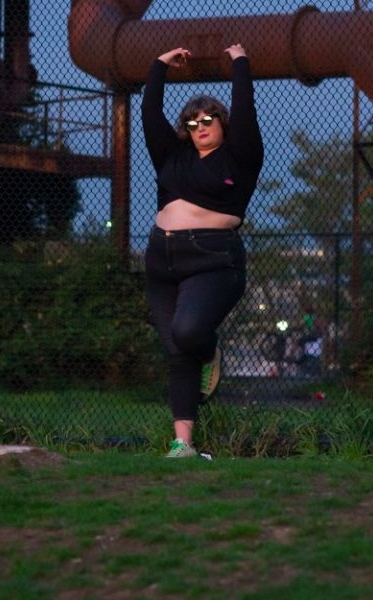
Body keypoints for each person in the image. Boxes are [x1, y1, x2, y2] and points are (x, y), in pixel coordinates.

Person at [141, 43, 264, 458]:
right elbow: (149, 115)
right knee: (176, 352)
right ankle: (183, 445)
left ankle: (209, 348)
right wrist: (159, 66)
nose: (201, 126)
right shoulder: (172, 156)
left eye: (209, 119)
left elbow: (246, 114)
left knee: (189, 333)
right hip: (162, 259)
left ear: (222, 125)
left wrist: (240, 65)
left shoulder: (239, 158)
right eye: (193, 123)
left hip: (214, 259)